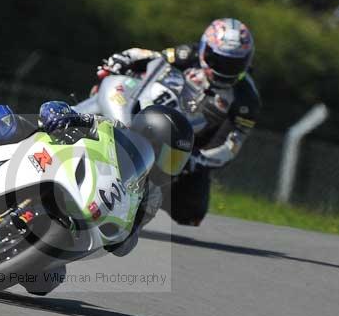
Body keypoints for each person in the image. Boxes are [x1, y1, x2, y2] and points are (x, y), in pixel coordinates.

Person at [0, 101, 193, 259]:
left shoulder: (151, 195)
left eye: (177, 162)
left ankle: (3, 246)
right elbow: (65, 112)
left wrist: (125, 238)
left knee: (45, 282)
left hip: (74, 222)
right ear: (150, 137)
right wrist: (61, 113)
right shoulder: (113, 128)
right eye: (169, 157)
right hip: (47, 157)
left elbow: (126, 240)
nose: (170, 168)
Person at [97, 18, 261, 226]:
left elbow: (230, 145)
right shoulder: (187, 54)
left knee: (191, 212)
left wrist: (196, 159)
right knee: (110, 85)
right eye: (218, 59)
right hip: (146, 113)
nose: (224, 68)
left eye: (233, 64)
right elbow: (153, 57)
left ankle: (139, 201)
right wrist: (123, 59)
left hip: (184, 149)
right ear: (205, 49)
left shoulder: (247, 99)